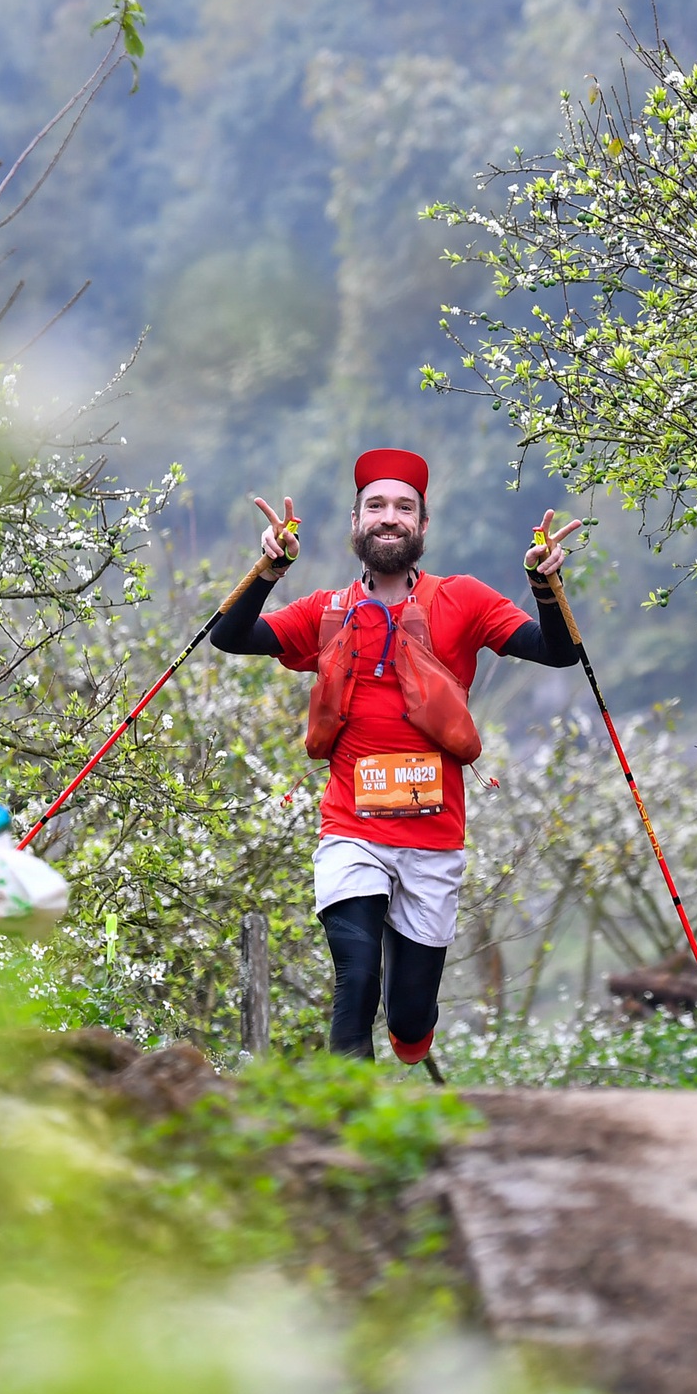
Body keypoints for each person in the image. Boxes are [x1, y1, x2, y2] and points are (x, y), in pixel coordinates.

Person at [208, 448, 586, 1064]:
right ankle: (347, 1119)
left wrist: (546, 584)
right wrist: (269, 570)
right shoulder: (326, 611)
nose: (390, 517)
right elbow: (230, 635)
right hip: (350, 828)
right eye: (376, 506)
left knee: (409, 1021)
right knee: (354, 979)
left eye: (404, 508)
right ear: (355, 522)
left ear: (423, 525)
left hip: (434, 839)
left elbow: (558, 650)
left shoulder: (463, 599)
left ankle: (412, 1027)